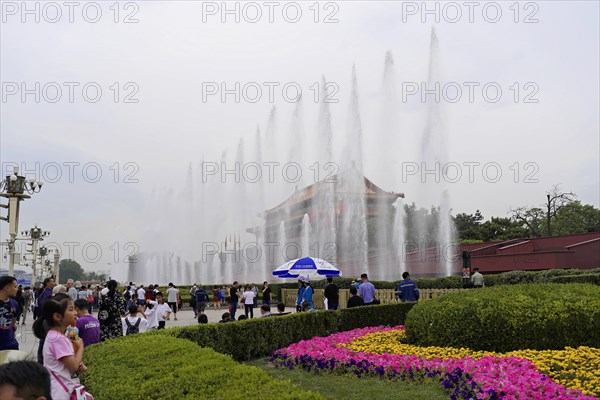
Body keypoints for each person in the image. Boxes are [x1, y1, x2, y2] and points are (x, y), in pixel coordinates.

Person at [33, 293, 93, 400]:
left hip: (55, 387)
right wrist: (81, 347)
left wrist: (77, 364)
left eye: (75, 309)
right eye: (71, 309)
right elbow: (73, 367)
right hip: (61, 393)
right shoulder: (59, 339)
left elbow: (66, 364)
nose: (75, 313)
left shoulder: (54, 335)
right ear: (57, 316)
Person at [0, 276, 20, 351]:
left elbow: (13, 322)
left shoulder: (14, 303)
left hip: (11, 345)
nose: (17, 289)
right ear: (7, 288)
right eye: (15, 287)